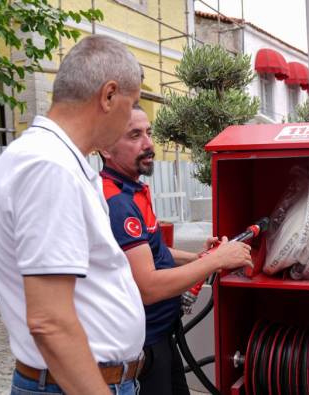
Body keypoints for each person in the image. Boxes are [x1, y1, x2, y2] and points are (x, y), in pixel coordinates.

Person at [0, 35, 146, 395]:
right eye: (132, 104)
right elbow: (49, 322)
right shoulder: (49, 167)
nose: (131, 117)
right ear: (109, 95)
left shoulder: (50, 159)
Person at [99, 107, 253, 395]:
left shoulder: (132, 190)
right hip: (145, 345)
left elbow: (151, 251)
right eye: (135, 135)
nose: (148, 143)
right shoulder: (118, 203)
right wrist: (216, 261)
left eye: (148, 132)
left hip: (161, 337)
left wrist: (195, 258)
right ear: (106, 148)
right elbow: (148, 287)